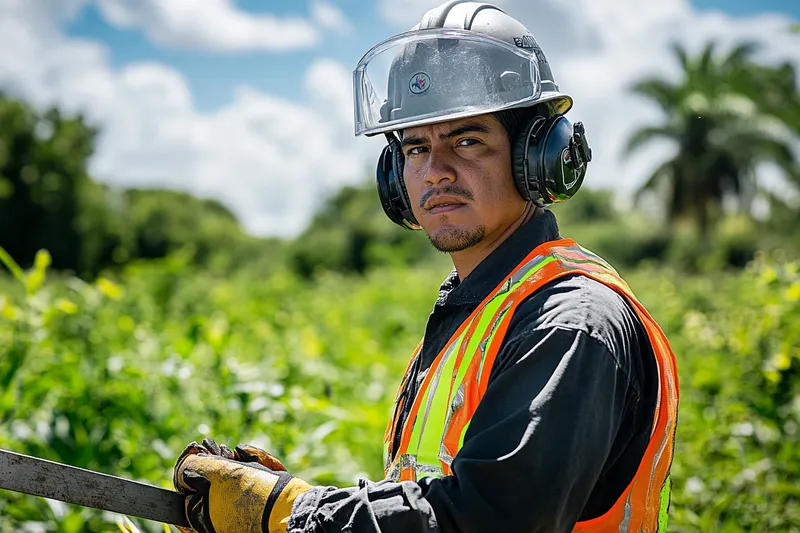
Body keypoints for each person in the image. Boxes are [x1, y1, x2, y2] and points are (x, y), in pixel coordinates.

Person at [171, 1, 680, 532]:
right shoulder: (477, 310)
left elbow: (487, 516)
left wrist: (292, 514)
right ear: (395, 172)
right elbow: (426, 495)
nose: (436, 171)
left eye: (467, 140)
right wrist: (294, 510)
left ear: (536, 155)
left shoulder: (570, 321)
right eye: (415, 148)